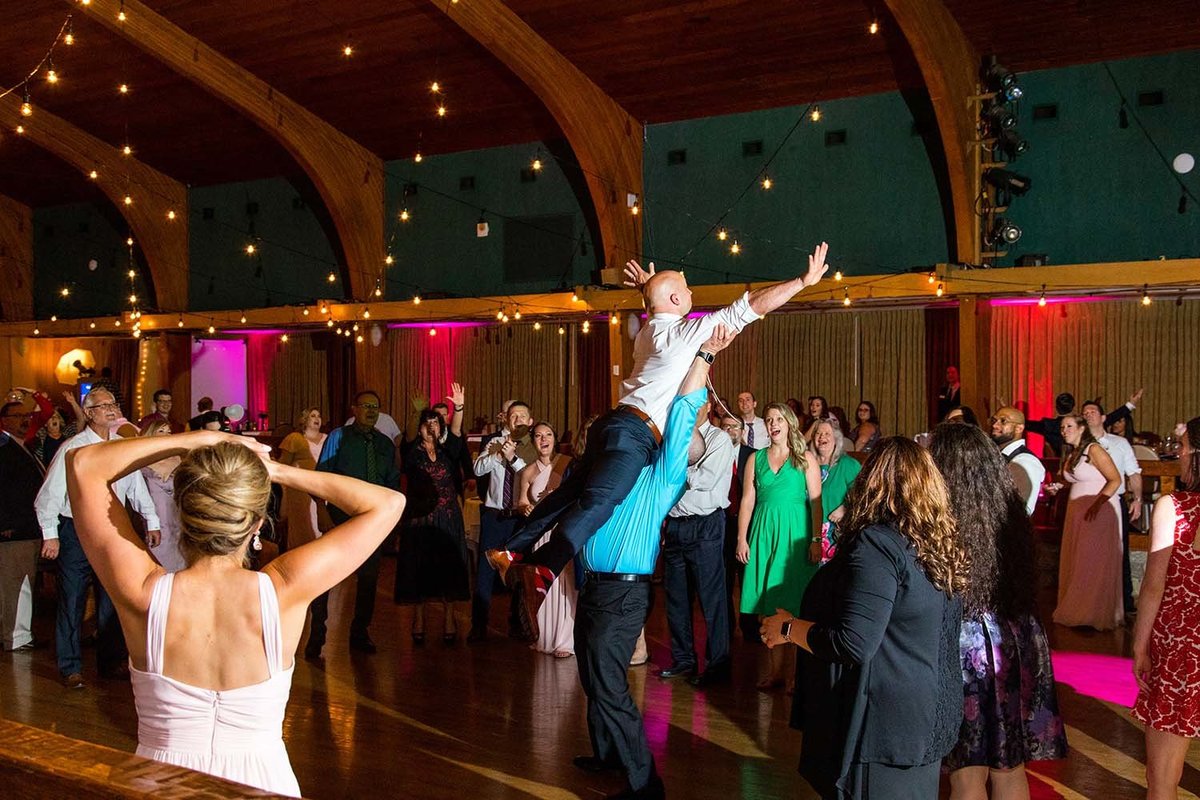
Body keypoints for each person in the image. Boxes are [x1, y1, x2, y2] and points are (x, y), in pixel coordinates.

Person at [490, 243, 831, 614]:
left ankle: (512, 548)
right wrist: (802, 281)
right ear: (673, 297)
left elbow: (658, 308)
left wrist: (648, 289)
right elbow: (752, 305)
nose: (692, 293)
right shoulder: (686, 334)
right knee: (598, 502)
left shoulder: (648, 333)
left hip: (612, 424)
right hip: (634, 434)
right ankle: (545, 569)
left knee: (568, 493)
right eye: (685, 289)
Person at [65, 428, 404, 797]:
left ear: (183, 513)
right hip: (262, 782)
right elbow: (387, 504)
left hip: (159, 785)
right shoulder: (284, 591)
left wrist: (193, 440)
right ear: (257, 523)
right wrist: (277, 471)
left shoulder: (144, 595)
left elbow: (83, 464)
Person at [573, 325, 737, 800]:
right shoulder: (609, 472)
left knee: (609, 684)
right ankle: (606, 754)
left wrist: (704, 353)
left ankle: (646, 784)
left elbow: (684, 411)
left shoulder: (662, 476)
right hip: (594, 586)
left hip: (624, 592)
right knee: (592, 676)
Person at [762, 437, 967, 800]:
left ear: (872, 482)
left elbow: (853, 642)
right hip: (926, 711)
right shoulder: (936, 540)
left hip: (888, 721)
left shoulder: (879, 545)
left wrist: (788, 629)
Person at [931, 423, 1067, 799]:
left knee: (967, 773)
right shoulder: (1010, 511)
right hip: (1015, 641)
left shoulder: (942, 520)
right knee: (1009, 767)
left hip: (967, 647)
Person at [35, 388, 161, 688]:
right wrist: (50, 535)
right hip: (75, 530)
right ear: (88, 413)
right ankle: (69, 667)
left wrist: (152, 520)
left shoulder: (120, 446)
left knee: (112, 599)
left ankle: (110, 662)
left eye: (113, 404)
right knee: (73, 599)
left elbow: (136, 488)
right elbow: (49, 496)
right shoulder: (74, 448)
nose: (111, 409)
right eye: (103, 405)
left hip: (111, 531)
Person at [1132, 418, 1200, 800]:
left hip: (1180, 648)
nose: (1180, 454)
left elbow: (1154, 585)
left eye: (1185, 446)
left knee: (1161, 779)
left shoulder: (1174, 506)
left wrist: (1140, 646)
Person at [737, 402, 823, 691]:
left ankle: (793, 677)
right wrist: (741, 538)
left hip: (795, 538)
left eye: (778, 419)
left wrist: (815, 540)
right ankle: (774, 673)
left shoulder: (805, 459)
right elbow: (747, 500)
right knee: (767, 608)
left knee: (793, 607)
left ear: (789, 424)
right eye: (769, 420)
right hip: (763, 535)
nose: (773, 424)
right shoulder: (755, 459)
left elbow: (816, 502)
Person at [307, 391, 401, 657]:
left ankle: (360, 632)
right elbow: (320, 478)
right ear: (354, 409)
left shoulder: (384, 444)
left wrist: (390, 520)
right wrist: (321, 511)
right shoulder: (339, 436)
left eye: (376, 407)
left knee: (369, 580)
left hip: (373, 521)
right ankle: (317, 632)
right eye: (366, 406)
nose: (371, 411)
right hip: (340, 516)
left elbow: (391, 483)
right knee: (325, 577)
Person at [659, 390, 736, 687]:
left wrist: (677, 469)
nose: (690, 409)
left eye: (695, 404)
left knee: (712, 599)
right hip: (676, 526)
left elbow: (705, 480)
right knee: (676, 599)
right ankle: (684, 660)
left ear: (708, 406)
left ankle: (717, 665)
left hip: (706, 525)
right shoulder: (674, 437)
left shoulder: (718, 439)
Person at [396, 409, 470, 644]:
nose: (431, 427)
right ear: (418, 428)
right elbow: (407, 436)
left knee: (448, 568)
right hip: (420, 519)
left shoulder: (449, 451)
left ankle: (449, 618)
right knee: (419, 568)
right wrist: (416, 411)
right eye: (426, 423)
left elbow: (456, 432)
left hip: (447, 517)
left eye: (436, 423)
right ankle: (419, 619)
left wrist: (458, 409)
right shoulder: (411, 452)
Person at [1050, 414, 1124, 630]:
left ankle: (1092, 613)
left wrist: (1097, 504)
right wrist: (1058, 486)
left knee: (1092, 561)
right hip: (1077, 513)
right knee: (1077, 561)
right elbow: (1073, 479)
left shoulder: (1094, 449)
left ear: (1082, 428)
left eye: (1069, 426)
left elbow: (1115, 479)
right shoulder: (1073, 453)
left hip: (1097, 513)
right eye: (1062, 427)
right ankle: (1077, 608)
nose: (1064, 430)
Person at [470, 401, 535, 640]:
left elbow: (533, 478)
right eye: (513, 415)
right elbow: (477, 469)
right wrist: (499, 454)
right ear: (506, 419)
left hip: (519, 518)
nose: (518, 419)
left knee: (518, 571)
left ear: (530, 420)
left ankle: (517, 622)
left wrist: (514, 457)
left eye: (522, 415)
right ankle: (478, 625)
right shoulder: (493, 441)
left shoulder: (533, 443)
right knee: (485, 571)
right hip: (494, 515)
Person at [517, 422, 576, 657]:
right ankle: (547, 636)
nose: (544, 439)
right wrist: (526, 507)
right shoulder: (528, 472)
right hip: (541, 534)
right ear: (533, 442)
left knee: (565, 585)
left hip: (562, 530)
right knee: (545, 585)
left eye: (548, 435)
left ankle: (565, 639)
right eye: (539, 436)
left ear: (555, 438)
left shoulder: (566, 464)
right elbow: (521, 501)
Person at [1082, 399, 1144, 615]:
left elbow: (1133, 473)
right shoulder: (1079, 444)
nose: (1088, 414)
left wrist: (1137, 499)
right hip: (1084, 506)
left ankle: (1123, 602)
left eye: (1092, 411)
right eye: (1085, 412)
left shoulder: (1119, 443)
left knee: (1119, 552)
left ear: (1103, 418)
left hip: (1112, 504)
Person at [0, 401, 45, 651]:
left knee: (20, 582)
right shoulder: (4, 448)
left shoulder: (24, 447)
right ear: (5, 420)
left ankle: (15, 633)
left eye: (27, 415)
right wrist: (5, 522)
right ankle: (17, 636)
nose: (24, 420)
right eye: (18, 416)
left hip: (27, 526)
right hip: (14, 529)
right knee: (17, 584)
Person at [139, 421, 188, 573]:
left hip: (178, 521)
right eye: (161, 431)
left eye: (169, 431)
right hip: (154, 522)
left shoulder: (179, 460)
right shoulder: (140, 463)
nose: (167, 435)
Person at [277, 407, 328, 551]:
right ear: (305, 420)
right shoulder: (294, 438)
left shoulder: (327, 438)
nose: (317, 418)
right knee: (303, 526)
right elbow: (283, 464)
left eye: (319, 415)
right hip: (301, 491)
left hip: (323, 488)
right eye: (313, 416)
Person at [811, 419, 861, 562]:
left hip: (835, 536)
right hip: (806, 533)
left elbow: (864, 494)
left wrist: (845, 508)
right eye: (818, 433)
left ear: (836, 439)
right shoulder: (806, 465)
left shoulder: (848, 464)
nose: (822, 437)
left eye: (827, 433)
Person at [989, 407, 1046, 516]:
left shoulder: (1025, 461)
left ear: (1019, 428)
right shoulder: (997, 455)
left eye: (1003, 421)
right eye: (994, 420)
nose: (995, 425)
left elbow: (1023, 508)